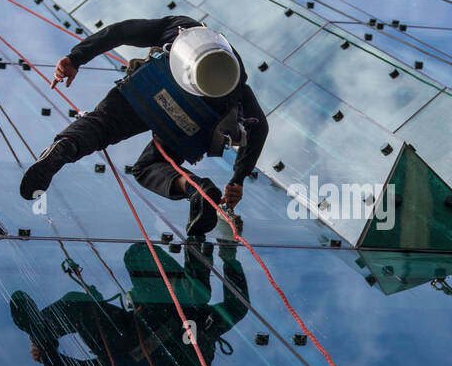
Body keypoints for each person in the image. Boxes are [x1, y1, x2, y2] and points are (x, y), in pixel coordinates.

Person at [19, 14, 268, 237]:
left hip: (153, 88)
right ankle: (197, 190)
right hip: (190, 123)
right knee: (149, 167)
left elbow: (123, 31)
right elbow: (260, 127)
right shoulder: (238, 87)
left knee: (102, 125)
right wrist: (238, 178)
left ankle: (66, 147)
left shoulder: (180, 26)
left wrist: (76, 57)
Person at [10, 233, 249, 366]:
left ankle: (195, 250)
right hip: (156, 313)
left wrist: (229, 258)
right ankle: (41, 330)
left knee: (132, 262)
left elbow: (236, 308)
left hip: (155, 313)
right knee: (84, 302)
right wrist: (47, 355)